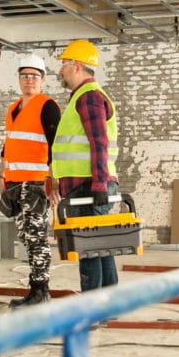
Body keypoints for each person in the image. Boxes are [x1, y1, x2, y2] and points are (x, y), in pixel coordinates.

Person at [51, 39, 120, 291]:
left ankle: (91, 308)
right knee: (99, 247)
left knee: (90, 249)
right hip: (86, 185)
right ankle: (106, 304)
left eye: (65, 64)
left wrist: (100, 184)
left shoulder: (89, 97)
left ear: (78, 66)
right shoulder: (82, 97)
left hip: (90, 186)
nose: (61, 70)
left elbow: (98, 142)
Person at [0, 55, 61, 308]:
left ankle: (40, 291)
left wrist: (55, 180)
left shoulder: (47, 105)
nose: (29, 80)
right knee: (25, 236)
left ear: (42, 80)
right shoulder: (14, 108)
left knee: (36, 237)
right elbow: (9, 145)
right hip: (15, 183)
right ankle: (36, 290)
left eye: (34, 76)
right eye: (24, 75)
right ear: (19, 79)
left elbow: (56, 145)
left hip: (36, 183)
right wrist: (2, 175)